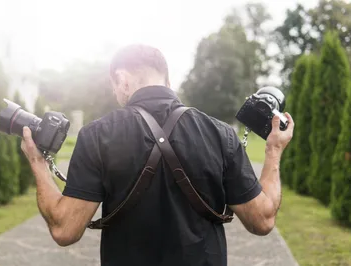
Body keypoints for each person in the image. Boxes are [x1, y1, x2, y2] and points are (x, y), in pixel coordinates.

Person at [21, 44, 294, 266]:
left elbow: (64, 229)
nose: (116, 93)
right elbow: (262, 220)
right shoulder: (220, 134)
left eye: (114, 86)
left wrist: (37, 161)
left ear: (122, 79)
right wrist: (273, 149)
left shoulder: (97, 135)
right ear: (167, 80)